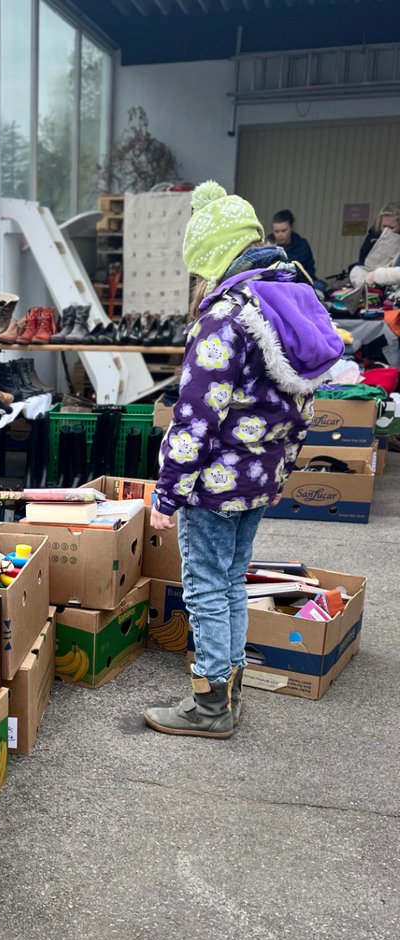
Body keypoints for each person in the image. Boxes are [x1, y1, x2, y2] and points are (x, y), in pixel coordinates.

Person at [143, 181, 342, 740]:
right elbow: (302, 404)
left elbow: (195, 416)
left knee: (206, 584)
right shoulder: (288, 304)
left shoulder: (225, 317)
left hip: (214, 481)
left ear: (212, 256)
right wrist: (277, 470)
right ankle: (228, 687)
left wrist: (168, 491)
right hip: (259, 477)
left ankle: (208, 703)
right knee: (231, 579)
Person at [348, 201, 400, 287]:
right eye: (384, 226)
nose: (387, 231)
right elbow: (363, 261)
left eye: (392, 227)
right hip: (370, 278)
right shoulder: (373, 236)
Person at [269, 209, 317, 282]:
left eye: (284, 230)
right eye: (276, 231)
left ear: (291, 228)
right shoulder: (267, 246)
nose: (280, 235)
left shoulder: (302, 245)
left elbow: (310, 270)